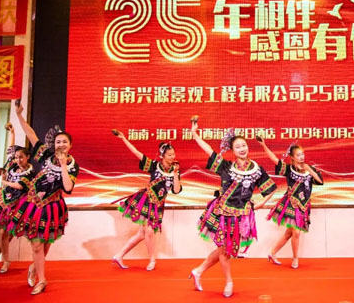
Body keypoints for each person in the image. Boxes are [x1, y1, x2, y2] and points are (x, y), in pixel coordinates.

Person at [189, 118, 277, 298]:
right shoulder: (225, 167)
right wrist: (194, 134)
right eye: (238, 147)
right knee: (225, 250)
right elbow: (208, 150)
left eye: (244, 145)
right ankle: (229, 282)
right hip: (222, 213)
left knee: (226, 250)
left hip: (241, 216)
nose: (242, 149)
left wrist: (261, 203)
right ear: (233, 150)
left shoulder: (256, 169)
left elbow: (271, 189)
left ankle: (198, 271)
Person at [6, 102, 80, 295]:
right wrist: (19, 115)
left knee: (45, 244)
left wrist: (63, 165)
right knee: (37, 244)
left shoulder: (72, 165)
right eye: (58, 142)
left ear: (70, 145)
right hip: (33, 204)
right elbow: (31, 134)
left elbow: (68, 188)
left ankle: (33, 267)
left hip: (52, 207)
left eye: (64, 142)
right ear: (54, 145)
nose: (61, 145)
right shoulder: (46, 155)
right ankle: (42, 280)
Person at [111, 130, 182, 271]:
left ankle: (118, 256)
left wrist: (175, 174)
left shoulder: (175, 170)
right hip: (147, 201)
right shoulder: (154, 165)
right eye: (169, 155)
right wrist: (124, 138)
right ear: (162, 156)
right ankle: (152, 260)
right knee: (149, 232)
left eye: (173, 154)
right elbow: (137, 153)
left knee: (141, 234)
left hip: (159, 205)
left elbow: (176, 190)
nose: (172, 157)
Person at [257, 138, 323, 269]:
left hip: (303, 205)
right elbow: (274, 160)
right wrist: (264, 145)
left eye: (302, 154)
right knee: (296, 232)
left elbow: (320, 181)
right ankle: (295, 258)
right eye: (298, 155)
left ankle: (272, 253)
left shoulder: (308, 169)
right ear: (292, 157)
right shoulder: (289, 169)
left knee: (289, 233)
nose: (301, 157)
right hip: (291, 203)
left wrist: (308, 168)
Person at [0, 123, 33, 273]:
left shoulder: (30, 172)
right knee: (3, 232)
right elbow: (11, 150)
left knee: (9, 235)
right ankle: (6, 261)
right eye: (17, 157)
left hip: (18, 205)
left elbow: (20, 186)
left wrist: (5, 182)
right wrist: (13, 133)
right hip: (4, 202)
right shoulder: (12, 165)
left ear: (28, 157)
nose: (18, 159)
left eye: (21, 157)